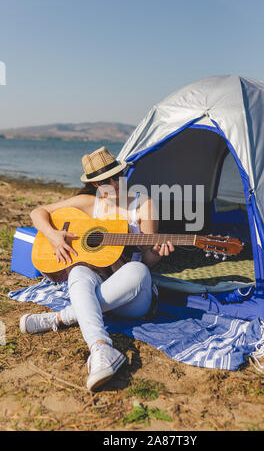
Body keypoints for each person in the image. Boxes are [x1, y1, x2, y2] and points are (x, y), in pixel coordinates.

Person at [19, 147, 174, 392]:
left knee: (138, 270)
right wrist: (53, 236)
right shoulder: (87, 204)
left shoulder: (144, 205)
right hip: (98, 285)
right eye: (105, 180)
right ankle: (101, 348)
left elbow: (146, 259)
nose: (114, 183)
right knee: (79, 271)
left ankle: (62, 317)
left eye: (118, 175)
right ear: (94, 185)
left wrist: (156, 253)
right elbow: (37, 212)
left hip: (131, 296)